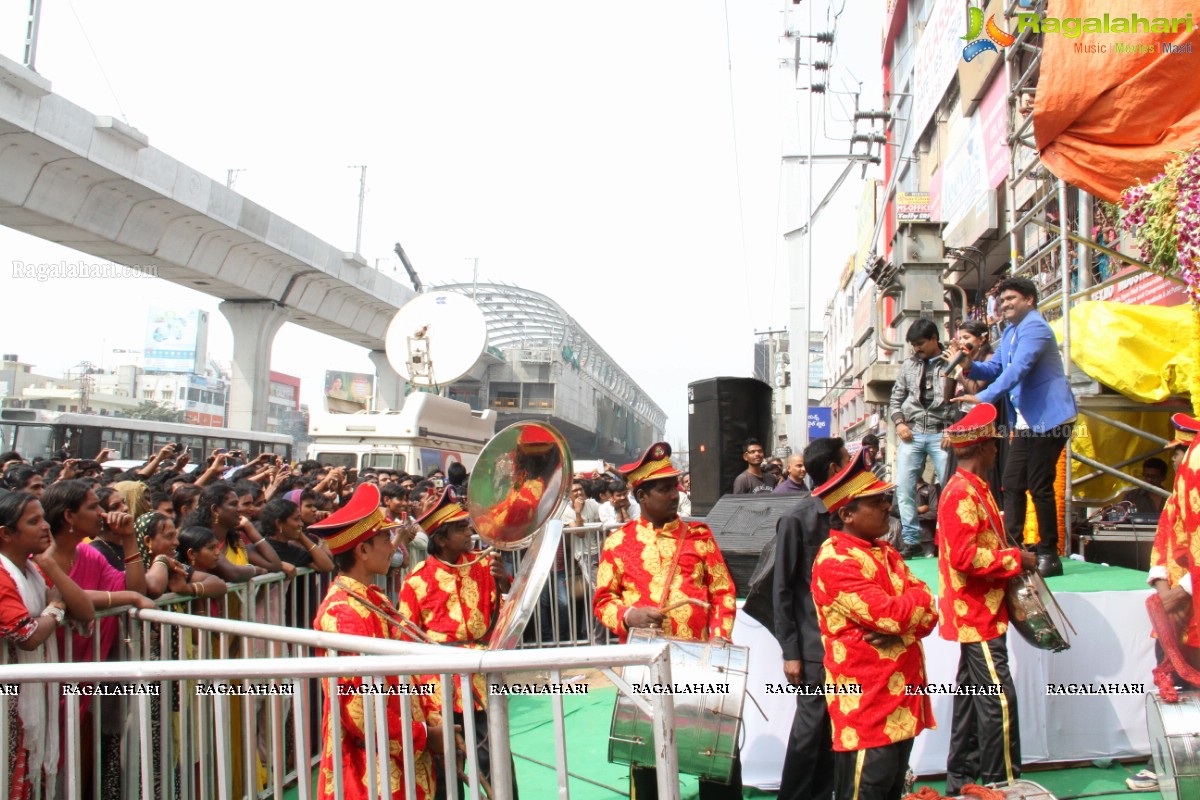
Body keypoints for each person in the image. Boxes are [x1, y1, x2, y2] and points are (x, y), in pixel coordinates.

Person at [593, 442, 740, 799]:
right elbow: (602, 602)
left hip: (702, 664)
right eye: (665, 488)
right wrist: (629, 616)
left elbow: (723, 592)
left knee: (716, 759)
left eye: (676, 485)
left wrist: (720, 639)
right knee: (647, 760)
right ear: (641, 495)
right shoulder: (618, 542)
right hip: (645, 670)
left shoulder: (700, 537)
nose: (676, 494)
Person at [810, 449, 937, 800]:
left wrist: (906, 619)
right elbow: (892, 614)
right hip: (868, 707)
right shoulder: (836, 561)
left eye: (886, 498)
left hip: (901, 701)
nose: (886, 506)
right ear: (847, 514)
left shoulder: (886, 552)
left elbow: (930, 609)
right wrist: (909, 614)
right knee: (867, 791)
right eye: (876, 500)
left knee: (891, 789)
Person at [309, 483, 445, 800]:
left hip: (399, 754)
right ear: (363, 550)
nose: (393, 547)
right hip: (369, 767)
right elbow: (359, 708)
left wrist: (433, 718)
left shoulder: (372, 598)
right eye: (385, 538)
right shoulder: (342, 614)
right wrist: (423, 735)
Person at [936, 404, 1038, 794]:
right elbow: (964, 558)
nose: (999, 451)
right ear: (983, 449)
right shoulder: (961, 493)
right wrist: (1017, 559)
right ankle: (1002, 783)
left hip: (982, 609)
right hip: (976, 612)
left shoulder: (974, 490)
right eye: (994, 444)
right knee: (999, 700)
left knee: (970, 698)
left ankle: (961, 779)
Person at [954, 276, 1078, 577]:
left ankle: (1049, 552)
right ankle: (1013, 547)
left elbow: (1018, 370)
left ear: (1029, 301)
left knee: (1039, 484)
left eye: (1012, 299)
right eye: (1003, 300)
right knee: (1011, 481)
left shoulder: (1035, 327)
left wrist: (982, 398)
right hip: (1026, 420)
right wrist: (968, 362)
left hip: (1051, 417)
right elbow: (995, 369)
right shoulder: (1010, 332)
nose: (1005, 304)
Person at [399, 489, 513, 800]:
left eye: (467, 524)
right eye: (462, 527)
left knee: (496, 763)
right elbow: (406, 641)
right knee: (445, 773)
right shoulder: (415, 581)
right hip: (437, 692)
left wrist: (505, 584)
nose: (470, 531)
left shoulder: (485, 566)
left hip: (481, 683)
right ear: (441, 539)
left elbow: (504, 619)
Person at [772, 437, 852, 800]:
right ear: (835, 470)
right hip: (813, 647)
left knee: (835, 732)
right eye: (848, 459)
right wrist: (791, 651)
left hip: (849, 646)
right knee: (810, 732)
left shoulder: (852, 515)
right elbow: (783, 590)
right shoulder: (796, 519)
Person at [0, 491, 93, 800]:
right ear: (7, 534)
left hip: (22, 704)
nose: (45, 527)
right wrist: (53, 609)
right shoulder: (2, 575)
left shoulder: (31, 570)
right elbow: (27, 636)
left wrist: (50, 566)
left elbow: (84, 611)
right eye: (33, 521)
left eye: (43, 518)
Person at [888, 318, 956, 559]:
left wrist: (952, 428)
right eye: (913, 345)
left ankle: (953, 539)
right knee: (904, 488)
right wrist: (899, 423)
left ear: (934, 339)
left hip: (942, 432)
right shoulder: (908, 365)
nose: (917, 348)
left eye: (920, 343)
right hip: (912, 432)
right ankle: (911, 540)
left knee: (952, 489)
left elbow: (961, 396)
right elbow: (895, 399)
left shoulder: (952, 359)